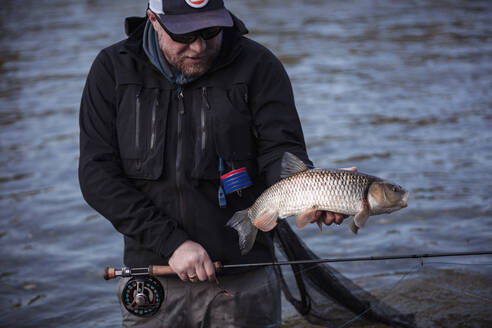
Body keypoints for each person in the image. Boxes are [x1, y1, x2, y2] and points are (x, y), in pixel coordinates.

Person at [79, 0, 348, 326]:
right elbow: (97, 175)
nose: (199, 46)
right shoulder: (112, 69)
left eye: (210, 31)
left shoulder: (259, 65)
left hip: (243, 277)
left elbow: (281, 151)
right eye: (184, 34)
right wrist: (172, 243)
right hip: (155, 277)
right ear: (153, 19)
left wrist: (314, 189)